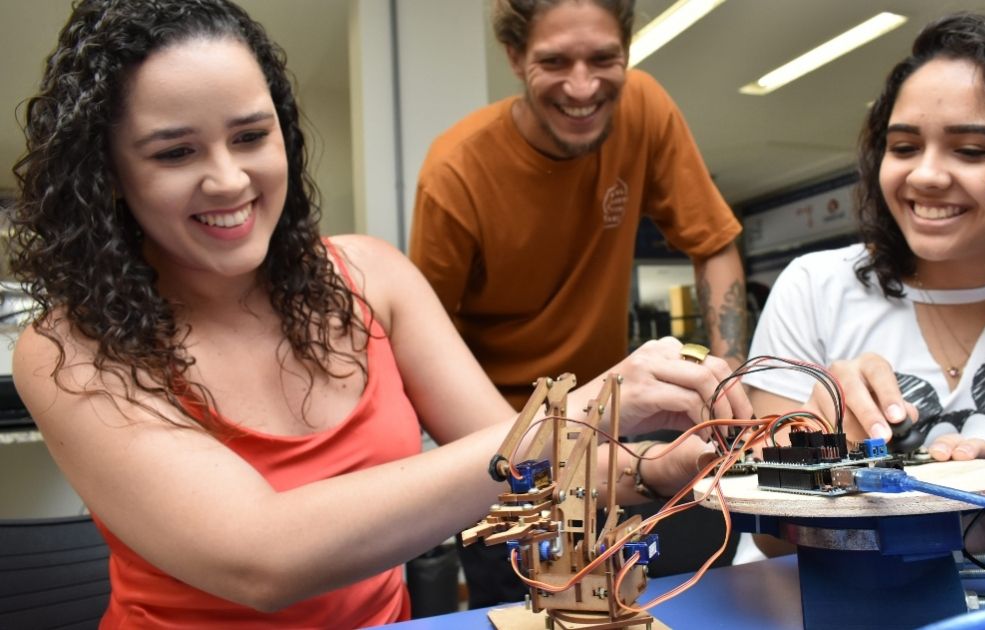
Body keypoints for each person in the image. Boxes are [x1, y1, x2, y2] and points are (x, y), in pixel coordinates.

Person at [7, 0, 752, 626]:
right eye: (174, 153)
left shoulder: (371, 276)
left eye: (250, 136)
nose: (229, 179)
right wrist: (577, 409)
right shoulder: (70, 349)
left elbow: (533, 473)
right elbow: (261, 556)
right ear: (110, 175)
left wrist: (661, 466)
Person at [408, 0, 747, 604]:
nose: (584, 86)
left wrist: (729, 387)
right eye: (555, 61)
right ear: (515, 57)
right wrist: (525, 464)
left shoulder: (644, 108)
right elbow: (420, 351)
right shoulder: (457, 171)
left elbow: (714, 245)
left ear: (627, 51)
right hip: (504, 446)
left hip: (618, 432)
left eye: (603, 59)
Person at [744, 9, 985, 552]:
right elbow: (772, 540)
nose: (926, 175)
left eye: (972, 150)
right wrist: (829, 449)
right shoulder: (812, 286)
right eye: (905, 147)